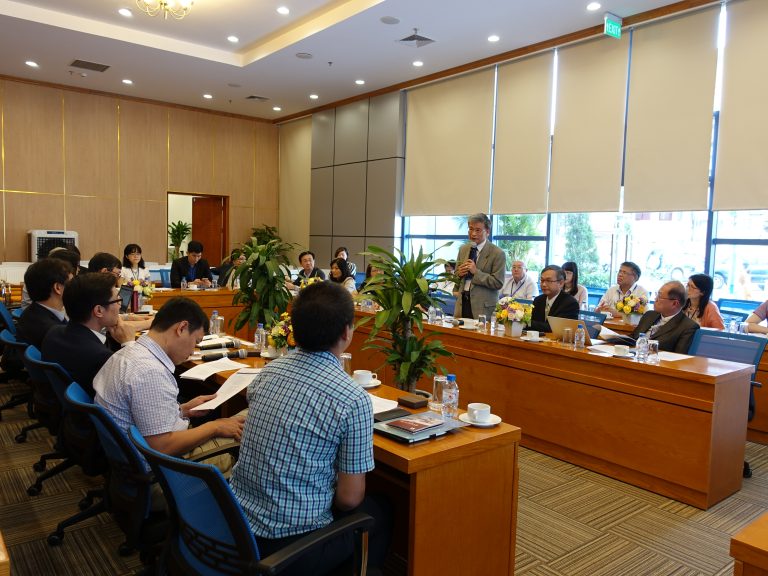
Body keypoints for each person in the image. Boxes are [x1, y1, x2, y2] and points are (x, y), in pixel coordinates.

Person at [230, 281, 390, 575]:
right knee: (377, 511)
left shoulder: (268, 372)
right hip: (292, 546)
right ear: (346, 332)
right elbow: (348, 499)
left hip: (237, 527)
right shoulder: (352, 398)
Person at [93, 297, 244, 468]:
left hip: (130, 459)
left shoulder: (128, 354)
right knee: (247, 427)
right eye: (195, 342)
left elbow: (142, 414)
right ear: (182, 328)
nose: (192, 350)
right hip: (164, 469)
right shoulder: (151, 371)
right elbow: (162, 446)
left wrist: (183, 410)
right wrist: (214, 427)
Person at [42, 273, 137, 397]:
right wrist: (129, 344)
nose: (120, 305)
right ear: (99, 311)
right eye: (118, 300)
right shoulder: (101, 357)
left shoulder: (54, 332)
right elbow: (136, 384)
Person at [454, 213, 506, 319]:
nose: (473, 233)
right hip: (462, 303)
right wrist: (458, 274)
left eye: (478, 230)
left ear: (487, 232)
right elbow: (455, 276)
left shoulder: (497, 253)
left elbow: (498, 282)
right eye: (470, 229)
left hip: (483, 308)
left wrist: (476, 272)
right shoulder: (463, 249)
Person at [16, 259, 73, 348]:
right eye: (71, 282)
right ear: (58, 288)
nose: (75, 287)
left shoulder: (33, 311)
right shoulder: (53, 331)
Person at [632, 281, 699, 353]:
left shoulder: (688, 327)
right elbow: (633, 338)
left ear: (674, 303)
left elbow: (678, 356)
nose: (655, 299)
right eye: (657, 295)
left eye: (659, 296)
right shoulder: (649, 315)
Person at [529, 265, 579, 332]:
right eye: (542, 280)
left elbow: (556, 328)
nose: (543, 284)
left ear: (561, 283)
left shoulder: (570, 303)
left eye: (548, 281)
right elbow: (533, 323)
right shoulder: (538, 300)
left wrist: (527, 323)